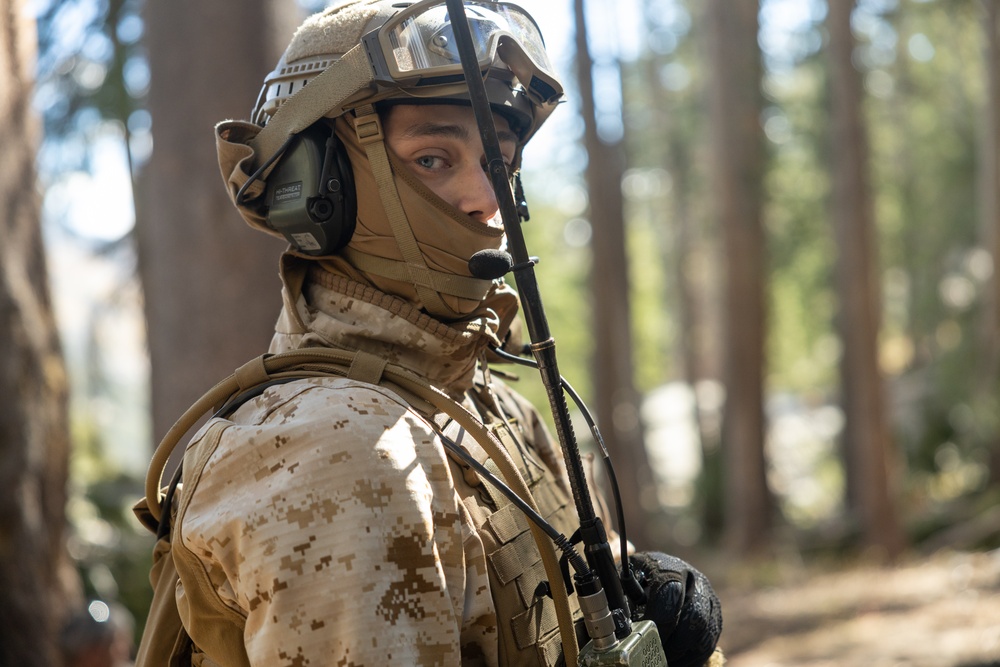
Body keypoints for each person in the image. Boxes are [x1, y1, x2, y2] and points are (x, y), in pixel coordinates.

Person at [134, 1, 723, 665]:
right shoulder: (340, 453)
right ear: (317, 186)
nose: (486, 197)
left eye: (499, 161)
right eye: (435, 158)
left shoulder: (493, 406)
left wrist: (653, 612)